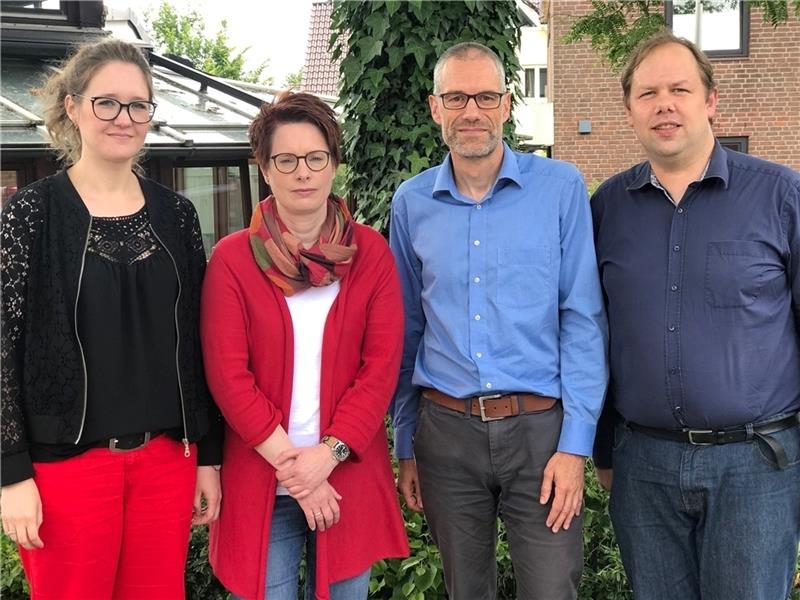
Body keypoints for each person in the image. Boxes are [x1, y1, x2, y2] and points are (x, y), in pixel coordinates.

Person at [0, 39, 222, 600]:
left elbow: (198, 344)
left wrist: (207, 457)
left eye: (138, 105)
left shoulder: (177, 215)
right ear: (72, 108)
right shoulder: (32, 213)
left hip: (165, 464)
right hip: (65, 471)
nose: (124, 118)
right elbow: (2, 346)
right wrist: (10, 474)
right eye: (107, 102)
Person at [390, 41, 608, 599]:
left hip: (542, 436)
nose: (472, 111)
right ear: (435, 107)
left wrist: (576, 444)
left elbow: (581, 319)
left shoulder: (559, 190)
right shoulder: (411, 204)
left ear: (507, 104)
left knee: (551, 591)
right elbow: (408, 327)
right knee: (468, 591)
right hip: (446, 435)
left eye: (485, 96)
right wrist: (407, 439)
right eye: (456, 97)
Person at [591, 30, 800, 600]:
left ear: (710, 100)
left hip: (755, 466)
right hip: (644, 467)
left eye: (680, 89)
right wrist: (605, 449)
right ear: (629, 108)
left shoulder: (781, 196)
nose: (665, 104)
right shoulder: (607, 208)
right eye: (648, 92)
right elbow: (596, 334)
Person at [200, 91, 409, 600]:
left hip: (346, 473)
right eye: (286, 160)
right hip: (261, 477)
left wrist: (328, 456)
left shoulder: (371, 254)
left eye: (316, 158)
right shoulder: (232, 260)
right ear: (265, 169)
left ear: (334, 164)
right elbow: (228, 376)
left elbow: (380, 368)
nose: (302, 173)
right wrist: (298, 468)